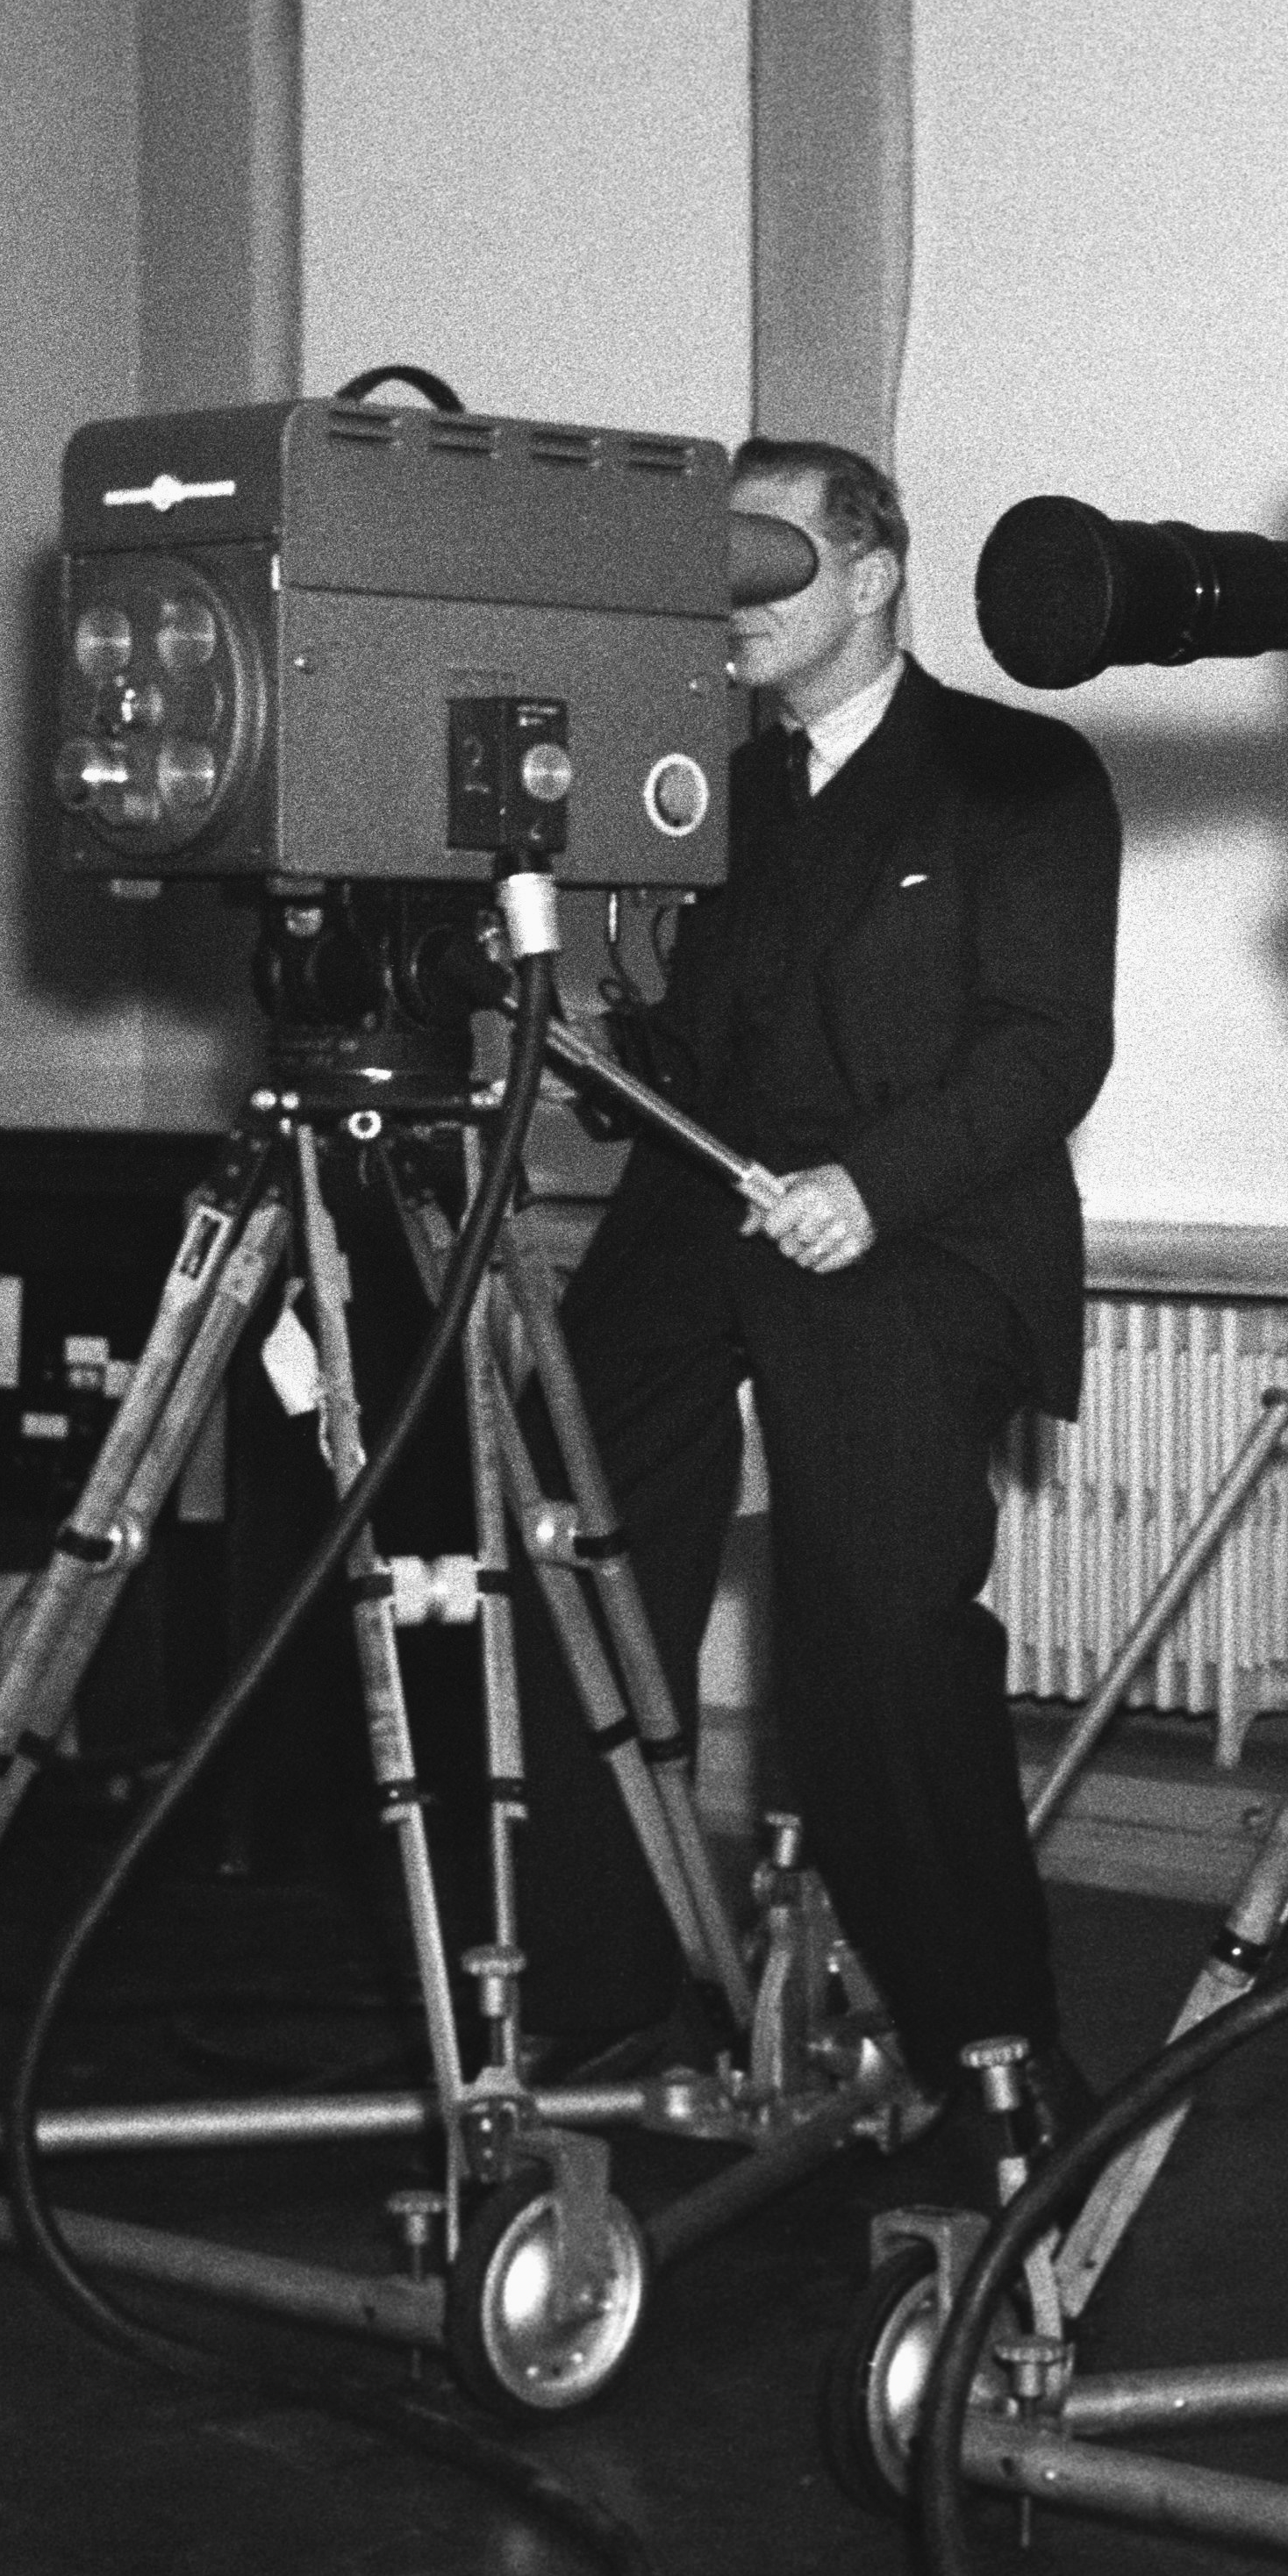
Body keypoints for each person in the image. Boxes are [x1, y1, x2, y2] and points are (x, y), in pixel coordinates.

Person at [511, 436, 1120, 2131]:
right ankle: (600, 1999)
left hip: (919, 1230)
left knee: (871, 1626)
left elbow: (1051, 1043)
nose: (738, 600)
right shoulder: (717, 792)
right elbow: (697, 1042)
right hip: (710, 1203)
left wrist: (875, 1187)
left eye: (770, 559)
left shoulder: (1021, 773)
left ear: (871, 574)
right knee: (567, 1523)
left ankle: (990, 2056)